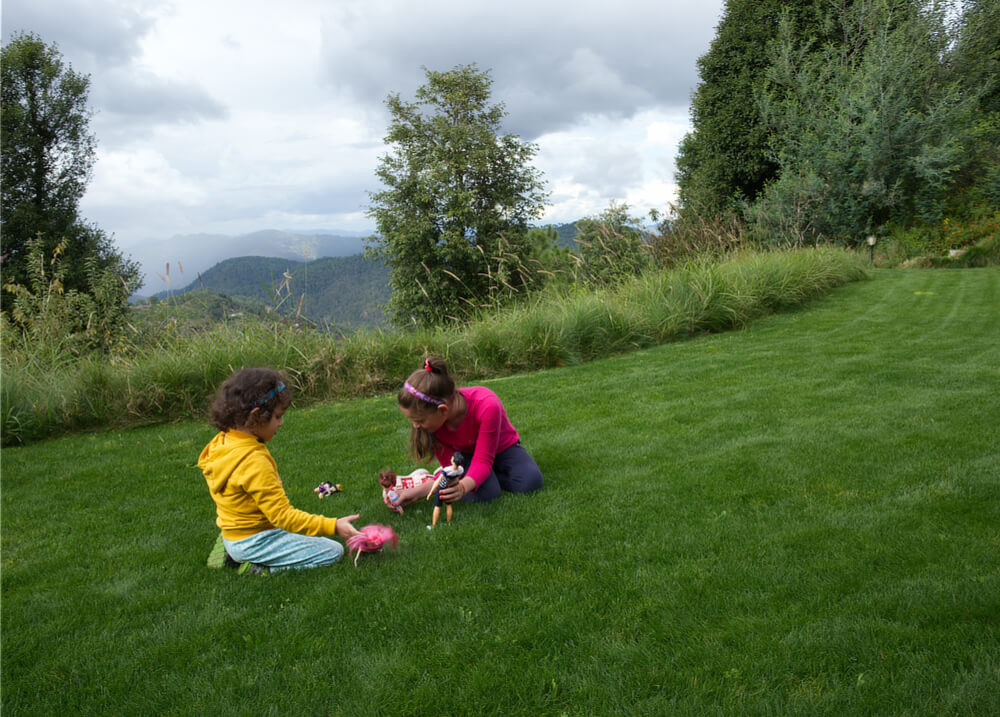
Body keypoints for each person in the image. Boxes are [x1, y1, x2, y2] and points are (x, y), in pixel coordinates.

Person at [199, 368, 361, 573]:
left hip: (232, 533)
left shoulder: (223, 442)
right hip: (256, 540)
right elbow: (283, 517)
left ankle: (231, 550)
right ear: (255, 417)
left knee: (289, 537)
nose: (281, 423)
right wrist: (334, 526)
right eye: (277, 416)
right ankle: (257, 568)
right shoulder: (253, 461)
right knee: (333, 551)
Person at [389, 356, 543, 509]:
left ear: (442, 410)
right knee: (488, 493)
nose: (416, 426)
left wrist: (463, 487)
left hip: (502, 448)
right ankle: (430, 479)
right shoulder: (433, 425)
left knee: (531, 482)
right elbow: (452, 467)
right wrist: (417, 492)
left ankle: (483, 474)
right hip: (465, 456)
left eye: (420, 420)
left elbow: (483, 460)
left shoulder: (486, 405)